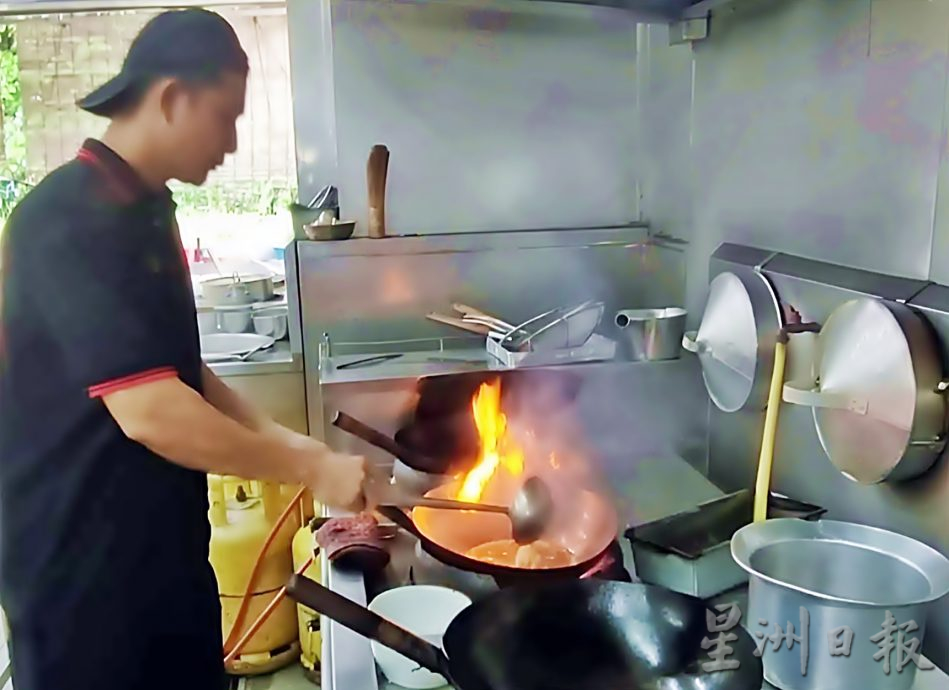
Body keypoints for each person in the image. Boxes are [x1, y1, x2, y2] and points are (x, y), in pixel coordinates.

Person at [0, 9, 367, 690]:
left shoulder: (144, 209)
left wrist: (294, 445)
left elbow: (175, 369)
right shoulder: (69, 217)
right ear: (172, 97)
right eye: (226, 117)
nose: (231, 144)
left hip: (158, 563)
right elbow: (151, 410)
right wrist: (305, 465)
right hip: (83, 585)